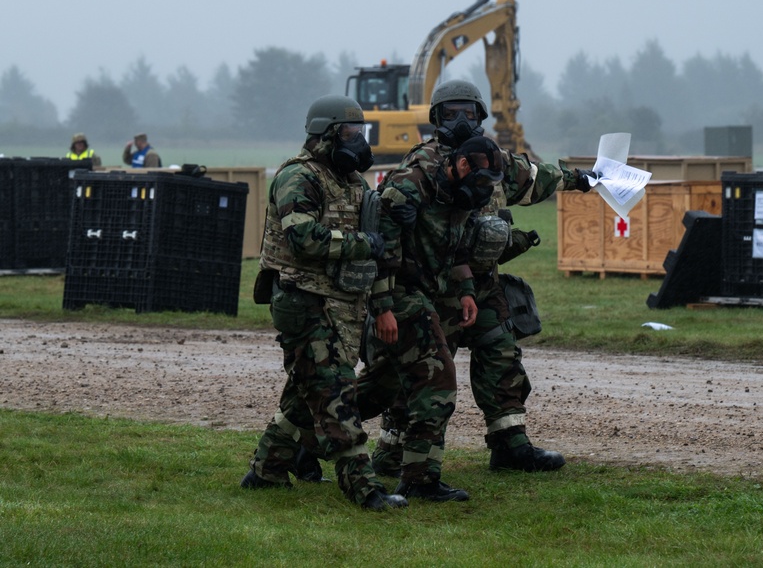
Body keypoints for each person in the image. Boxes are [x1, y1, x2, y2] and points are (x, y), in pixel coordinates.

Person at [368, 79, 596, 477]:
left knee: (501, 352)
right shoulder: (421, 168)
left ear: (481, 117)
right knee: (416, 374)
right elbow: (391, 233)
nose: (460, 120)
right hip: (430, 286)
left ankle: (510, 444)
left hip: (480, 283)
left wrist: (587, 179)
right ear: (436, 118)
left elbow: (537, 177)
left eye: (469, 112)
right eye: (451, 112)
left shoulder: (493, 160)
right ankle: (391, 450)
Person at [239, 94, 407, 512]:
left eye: (360, 132)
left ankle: (266, 472)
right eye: (351, 132)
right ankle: (363, 488)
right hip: (304, 300)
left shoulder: (350, 181)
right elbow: (304, 238)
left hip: (339, 302)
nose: (359, 141)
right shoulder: (299, 177)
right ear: (327, 134)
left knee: (303, 392)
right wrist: (362, 243)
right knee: (335, 394)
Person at [353, 134, 507, 503]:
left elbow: (451, 247)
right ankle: (420, 478)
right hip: (399, 294)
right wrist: (383, 308)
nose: (485, 190)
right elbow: (379, 248)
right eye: (483, 180)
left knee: (382, 386)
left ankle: (300, 439)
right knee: (438, 379)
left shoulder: (458, 192)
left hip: (426, 292)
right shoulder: (410, 186)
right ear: (464, 165)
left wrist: (466, 288)